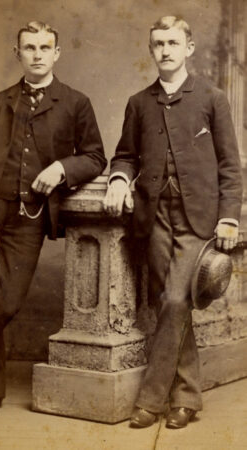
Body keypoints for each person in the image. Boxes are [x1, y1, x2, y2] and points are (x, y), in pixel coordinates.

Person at [0, 21, 106, 416]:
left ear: (56, 54)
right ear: (18, 54)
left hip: (28, 219)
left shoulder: (75, 102)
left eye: (44, 47)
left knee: (3, 303)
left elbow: (95, 157)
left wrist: (61, 169)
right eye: (29, 47)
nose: (37, 54)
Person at [103, 16, 242, 429]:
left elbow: (230, 166)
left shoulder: (213, 98)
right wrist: (118, 178)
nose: (165, 50)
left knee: (177, 302)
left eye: (173, 42)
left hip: (199, 218)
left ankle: (151, 399)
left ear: (189, 48)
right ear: (151, 51)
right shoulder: (138, 102)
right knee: (171, 306)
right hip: (154, 217)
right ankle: (187, 398)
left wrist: (230, 216)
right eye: (158, 43)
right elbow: (125, 153)